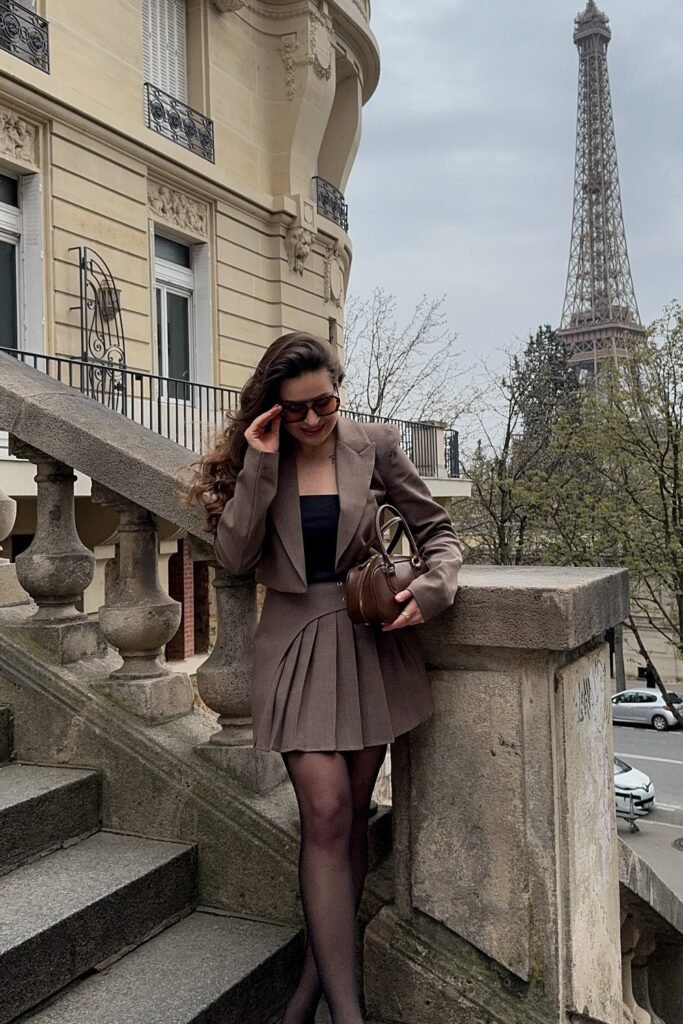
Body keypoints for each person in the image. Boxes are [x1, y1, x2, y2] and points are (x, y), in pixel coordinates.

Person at [189, 332, 462, 1024]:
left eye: (325, 404)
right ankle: (348, 1012)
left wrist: (430, 593)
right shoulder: (261, 458)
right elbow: (235, 555)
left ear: (339, 391)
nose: (314, 420)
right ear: (272, 408)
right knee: (327, 814)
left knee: (348, 827)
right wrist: (257, 461)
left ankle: (306, 997)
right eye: (297, 410)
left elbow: (439, 534)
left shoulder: (374, 445)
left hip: (369, 644)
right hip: (291, 643)